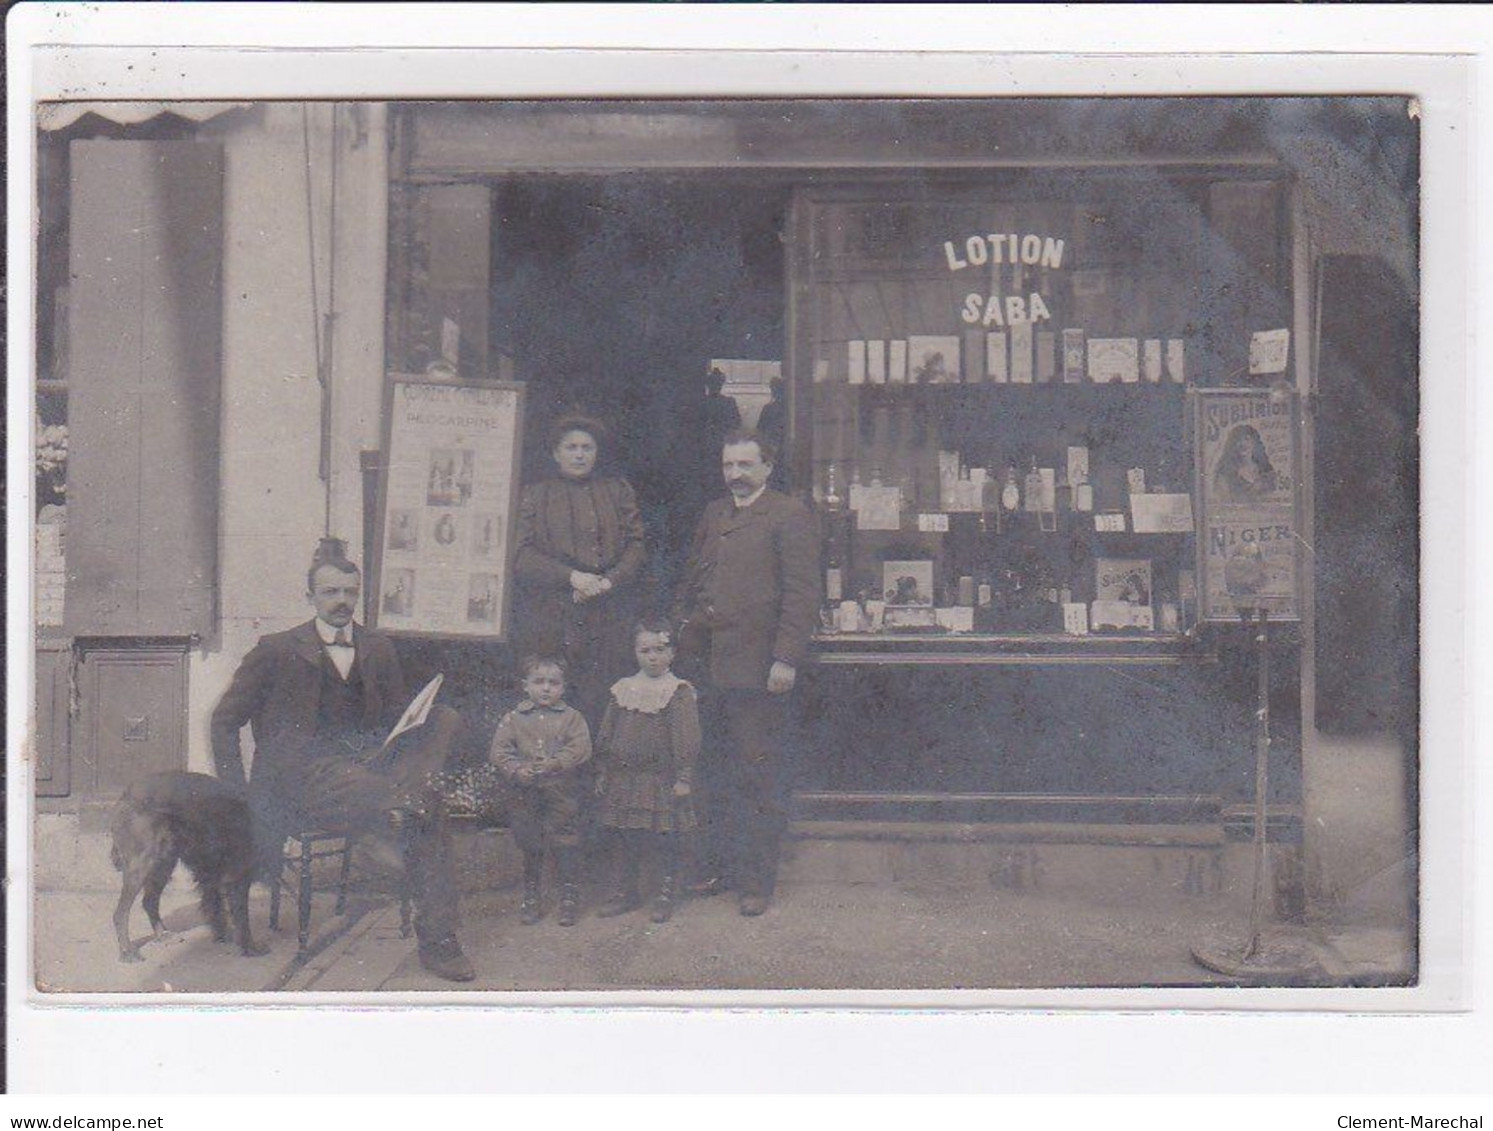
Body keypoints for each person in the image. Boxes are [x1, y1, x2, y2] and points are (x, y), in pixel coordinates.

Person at [210, 541, 473, 982]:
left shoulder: (377, 648)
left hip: (368, 774)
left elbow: (393, 721)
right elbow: (223, 722)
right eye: (330, 592)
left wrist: (410, 727)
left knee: (439, 743)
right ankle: (392, 825)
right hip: (301, 784)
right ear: (309, 596)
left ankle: (439, 941)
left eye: (350, 592)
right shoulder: (274, 650)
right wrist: (239, 796)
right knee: (417, 805)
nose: (341, 602)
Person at [674, 430, 821, 916]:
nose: (735, 475)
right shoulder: (714, 514)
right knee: (712, 770)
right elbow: (696, 576)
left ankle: (757, 881)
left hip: (759, 668)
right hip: (709, 664)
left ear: (767, 468)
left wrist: (785, 657)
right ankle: (718, 868)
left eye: (745, 465)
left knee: (759, 775)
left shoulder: (789, 514)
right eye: (728, 465)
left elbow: (801, 593)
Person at [514, 416, 648, 725]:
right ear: (555, 453)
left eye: (587, 447)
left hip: (608, 611)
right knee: (555, 694)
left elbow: (637, 545)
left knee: (605, 694)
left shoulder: (617, 490)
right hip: (554, 614)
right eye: (571, 447)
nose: (579, 454)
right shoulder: (536, 495)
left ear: (597, 453)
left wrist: (609, 581)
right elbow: (521, 554)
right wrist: (572, 577)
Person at [593, 621, 701, 923]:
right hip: (624, 778)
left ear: (672, 653)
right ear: (635, 653)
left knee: (665, 837)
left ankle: (666, 892)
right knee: (625, 836)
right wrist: (603, 770)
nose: (652, 657)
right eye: (645, 650)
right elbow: (607, 731)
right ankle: (627, 891)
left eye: (660, 650)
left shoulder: (676, 691)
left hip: (660, 779)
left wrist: (683, 777)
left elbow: (687, 737)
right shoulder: (623, 689)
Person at [488, 655, 593, 926]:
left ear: (563, 687)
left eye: (553, 683)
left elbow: (580, 748)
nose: (546, 688)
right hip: (526, 792)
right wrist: (517, 769)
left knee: (566, 840)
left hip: (561, 789)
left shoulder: (572, 718)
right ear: (525, 685)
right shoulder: (514, 719)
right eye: (539, 682)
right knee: (530, 842)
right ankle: (532, 895)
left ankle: (569, 895)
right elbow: (500, 751)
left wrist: (556, 763)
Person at [1211, 424, 1281, 503]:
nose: (1242, 443)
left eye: (1247, 439)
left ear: (1255, 442)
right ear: (1231, 445)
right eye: (1238, 440)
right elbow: (1223, 502)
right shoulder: (1225, 473)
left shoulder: (1267, 471)